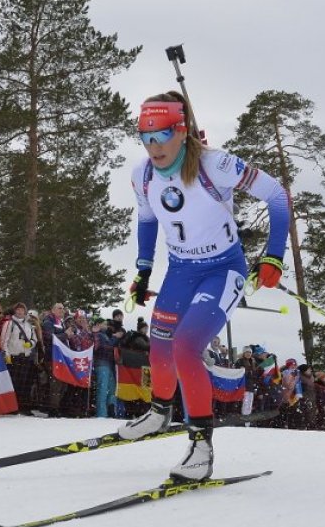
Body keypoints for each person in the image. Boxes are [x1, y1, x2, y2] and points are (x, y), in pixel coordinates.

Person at [118, 92, 290, 482]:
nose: (154, 147)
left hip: (222, 270)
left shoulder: (217, 165)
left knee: (185, 347)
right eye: (145, 137)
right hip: (180, 270)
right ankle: (159, 413)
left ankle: (201, 447)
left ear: (181, 131)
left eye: (161, 135)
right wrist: (143, 272)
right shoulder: (142, 175)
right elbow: (147, 221)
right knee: (159, 345)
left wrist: (273, 256)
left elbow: (277, 196)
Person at [0, 302, 37, 415]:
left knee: (24, 383)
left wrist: (30, 344)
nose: (20, 312)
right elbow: (4, 341)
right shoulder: (9, 324)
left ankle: (23, 406)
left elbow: (34, 339)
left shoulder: (29, 325)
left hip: (25, 357)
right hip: (13, 357)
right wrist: (6, 355)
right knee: (13, 383)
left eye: (22, 310)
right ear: (15, 311)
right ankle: (12, 406)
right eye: (18, 310)